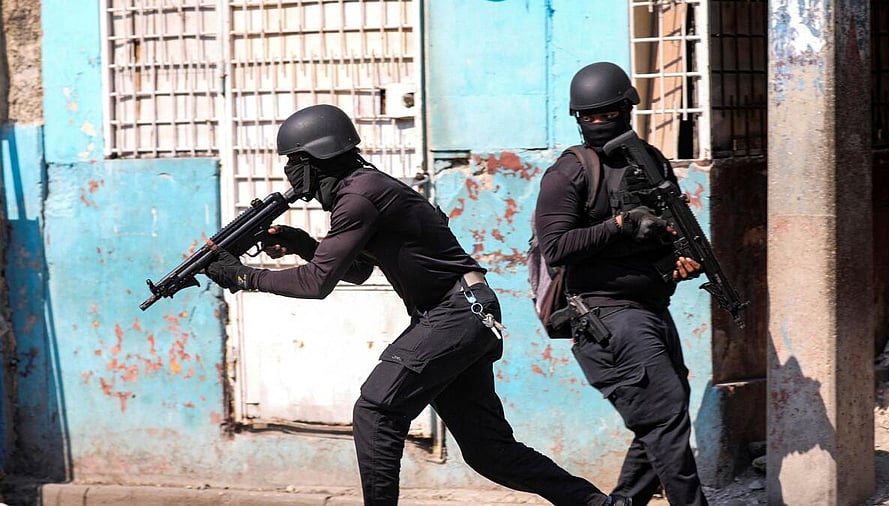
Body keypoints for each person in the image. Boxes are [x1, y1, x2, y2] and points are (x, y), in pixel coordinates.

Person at [203, 103, 630, 506]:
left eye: (294, 162)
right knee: (489, 451)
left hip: (458, 311)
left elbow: (316, 283)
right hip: (461, 312)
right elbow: (357, 271)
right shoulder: (365, 188)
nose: (291, 174)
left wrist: (242, 276)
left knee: (375, 410)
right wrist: (301, 243)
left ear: (315, 160)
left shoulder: (358, 197)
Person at [533, 62, 708, 506]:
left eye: (607, 114)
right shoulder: (570, 172)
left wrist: (679, 262)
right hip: (605, 314)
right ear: (578, 119)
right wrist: (619, 224)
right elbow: (556, 247)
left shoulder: (650, 162)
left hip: (651, 307)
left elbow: (669, 231)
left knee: (664, 414)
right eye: (589, 117)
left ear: (627, 109)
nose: (599, 123)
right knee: (665, 415)